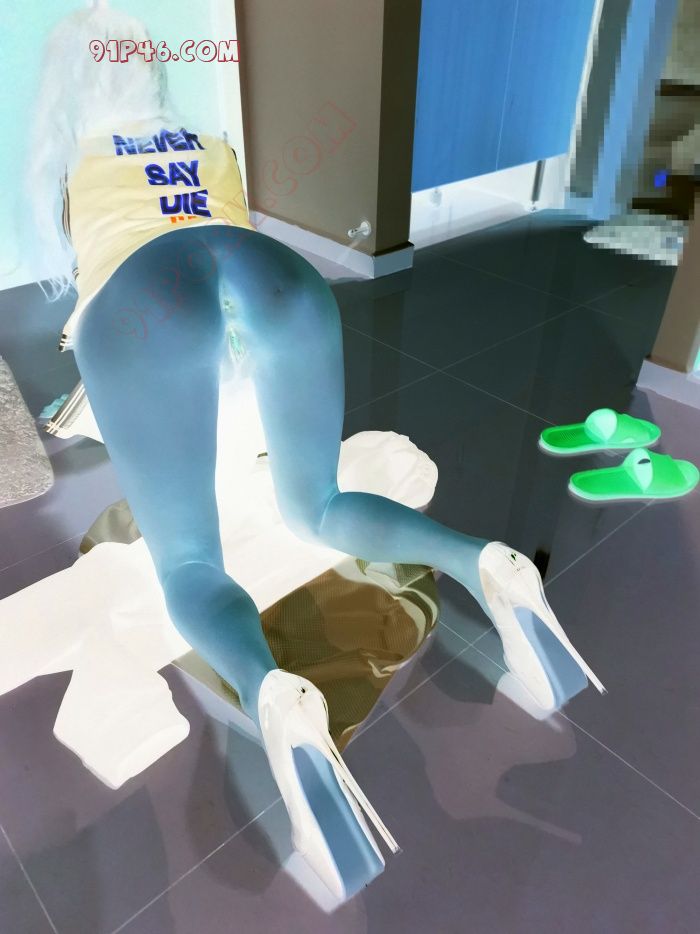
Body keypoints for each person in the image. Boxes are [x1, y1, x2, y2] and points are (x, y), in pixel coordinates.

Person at [27, 4, 604, 902]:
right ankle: (486, 562)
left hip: (151, 296)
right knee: (319, 503)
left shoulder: (78, 162)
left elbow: (105, 297)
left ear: (72, 87)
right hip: (273, 273)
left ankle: (274, 693)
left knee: (189, 561)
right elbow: (213, 274)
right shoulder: (210, 142)